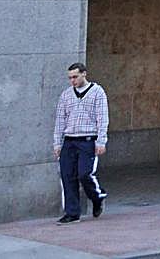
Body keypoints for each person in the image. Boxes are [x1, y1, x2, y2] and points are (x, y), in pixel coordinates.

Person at [52, 62, 108, 223]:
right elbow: (60, 120)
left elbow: (102, 118)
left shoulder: (97, 92)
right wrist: (57, 143)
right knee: (67, 175)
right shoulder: (66, 95)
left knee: (84, 173)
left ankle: (97, 197)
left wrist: (101, 141)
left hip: (88, 140)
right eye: (70, 78)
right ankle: (72, 213)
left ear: (84, 74)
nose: (73, 81)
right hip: (69, 141)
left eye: (75, 77)